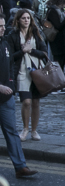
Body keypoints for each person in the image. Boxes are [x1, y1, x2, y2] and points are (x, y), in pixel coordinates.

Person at [0, 18, 36, 178]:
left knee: (12, 132)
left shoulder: (5, 43)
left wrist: (10, 83)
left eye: (3, 25)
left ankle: (20, 167)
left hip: (6, 97)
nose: (2, 29)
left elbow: (10, 64)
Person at [8, 10, 47, 141]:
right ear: (18, 20)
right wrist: (22, 51)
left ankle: (34, 130)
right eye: (23, 18)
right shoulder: (13, 35)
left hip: (37, 72)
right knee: (26, 101)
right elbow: (10, 57)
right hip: (22, 72)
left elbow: (44, 53)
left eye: (28, 18)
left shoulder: (36, 33)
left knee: (36, 102)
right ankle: (25, 128)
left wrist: (31, 50)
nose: (26, 20)